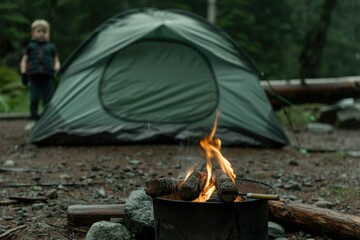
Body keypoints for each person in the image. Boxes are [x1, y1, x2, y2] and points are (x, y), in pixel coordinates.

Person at [20, 19, 60, 129]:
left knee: (48, 99)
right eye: (39, 31)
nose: (41, 34)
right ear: (33, 33)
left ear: (48, 33)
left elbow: (56, 60)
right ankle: (34, 119)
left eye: (44, 31)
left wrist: (56, 68)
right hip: (34, 76)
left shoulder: (51, 47)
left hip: (48, 76)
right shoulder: (30, 47)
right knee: (34, 98)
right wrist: (23, 73)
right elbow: (24, 60)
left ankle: (48, 120)